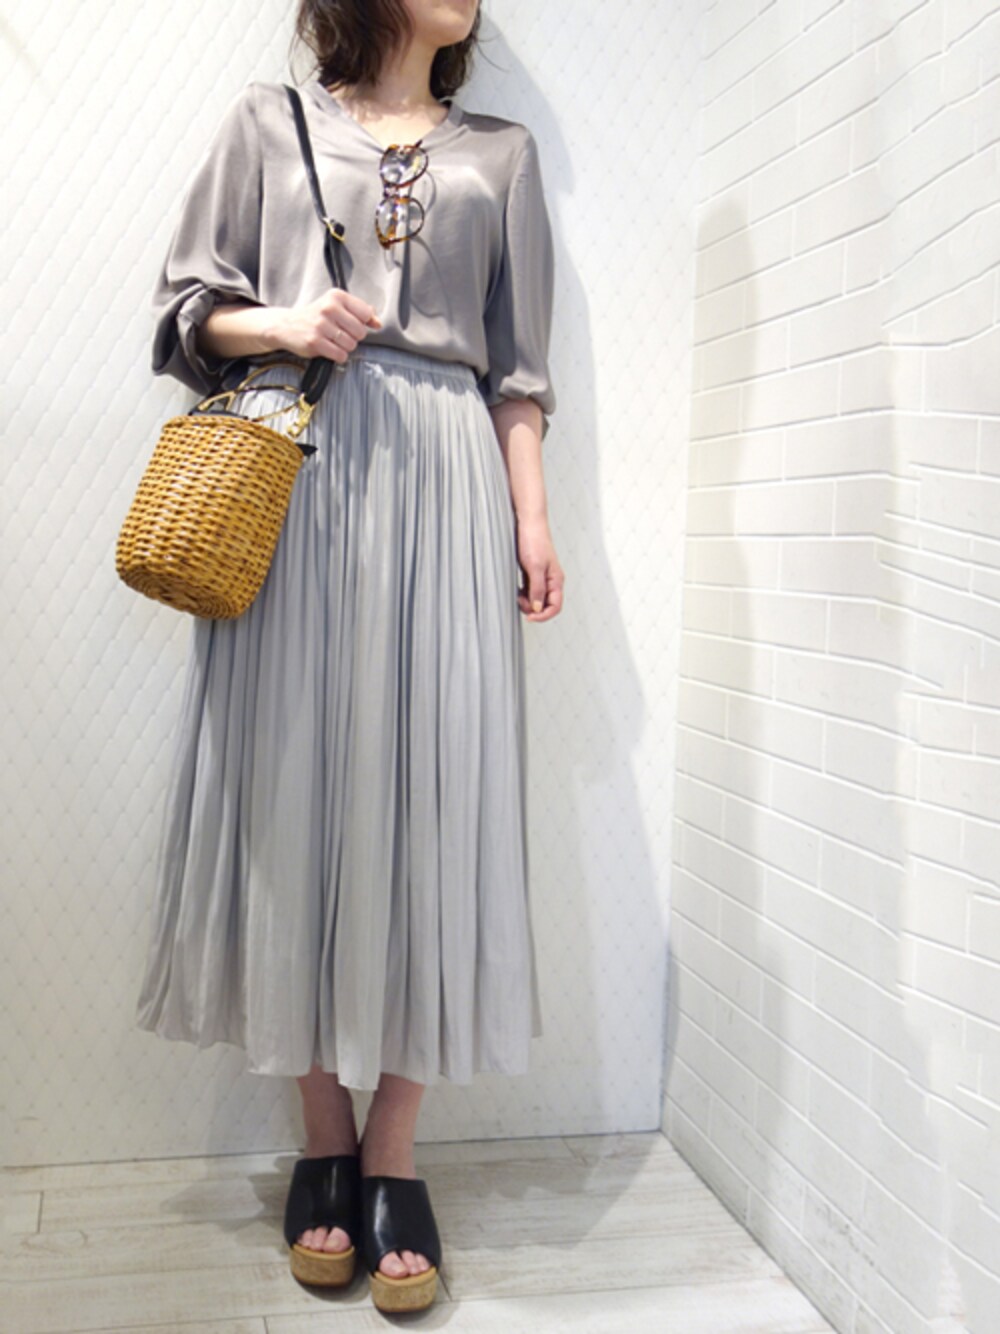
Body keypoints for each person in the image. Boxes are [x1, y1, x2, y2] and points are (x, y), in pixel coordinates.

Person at [133, 0, 563, 1314]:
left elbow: (519, 373)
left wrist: (532, 520)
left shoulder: (502, 155)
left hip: (446, 487)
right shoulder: (266, 126)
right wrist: (284, 323)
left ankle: (393, 1153)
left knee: (437, 801)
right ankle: (322, 1135)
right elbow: (184, 315)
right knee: (290, 791)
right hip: (298, 475)